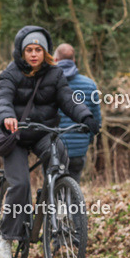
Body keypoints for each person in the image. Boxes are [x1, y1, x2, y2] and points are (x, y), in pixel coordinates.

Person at [0, 26, 99, 258]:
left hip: (43, 133)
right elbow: (2, 98)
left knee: (59, 151)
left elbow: (68, 99)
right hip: (16, 135)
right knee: (20, 185)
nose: (33, 54)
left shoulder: (55, 74)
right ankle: (6, 238)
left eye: (38, 50)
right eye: (29, 50)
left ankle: (58, 201)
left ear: (46, 52)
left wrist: (85, 117)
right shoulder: (10, 74)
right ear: (22, 52)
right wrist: (7, 115)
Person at [54, 43, 101, 182]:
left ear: (55, 60)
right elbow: (95, 118)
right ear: (74, 60)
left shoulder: (48, 83)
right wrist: (89, 138)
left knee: (53, 186)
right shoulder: (90, 85)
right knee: (73, 186)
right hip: (79, 149)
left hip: (54, 147)